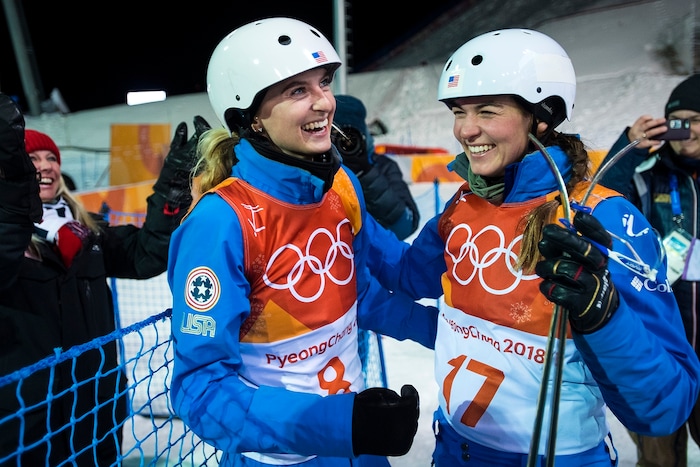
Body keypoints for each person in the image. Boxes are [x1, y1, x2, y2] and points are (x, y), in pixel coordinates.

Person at [367, 29, 700, 465]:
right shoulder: (465, 203)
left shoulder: (603, 218)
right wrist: (347, 199)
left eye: (487, 110)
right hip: (454, 451)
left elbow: (665, 405)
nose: (466, 130)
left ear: (542, 117)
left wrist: (604, 315)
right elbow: (410, 279)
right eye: (458, 111)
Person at [166, 17, 437, 467]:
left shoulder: (339, 184)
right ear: (249, 115)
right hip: (285, 456)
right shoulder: (221, 221)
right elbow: (202, 390)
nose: (324, 103)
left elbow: (359, 294)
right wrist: (344, 424)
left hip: (358, 449)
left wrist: (455, 334)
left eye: (324, 83)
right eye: (297, 91)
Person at [0, 92, 204, 466]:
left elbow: (145, 255)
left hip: (95, 399)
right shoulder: (8, 236)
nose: (45, 167)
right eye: (32, 159)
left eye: (51, 159)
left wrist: (172, 190)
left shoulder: (86, 230)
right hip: (24, 412)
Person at [598, 73, 700, 467]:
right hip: (659, 338)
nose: (685, 129)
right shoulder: (649, 174)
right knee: (659, 456)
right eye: (678, 120)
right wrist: (630, 146)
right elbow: (599, 199)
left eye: (694, 118)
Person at [332, 94, 420, 240]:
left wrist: (366, 174)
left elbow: (406, 226)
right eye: (338, 137)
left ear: (363, 136)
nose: (346, 144)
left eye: (351, 139)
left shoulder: (383, 167)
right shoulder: (319, 168)